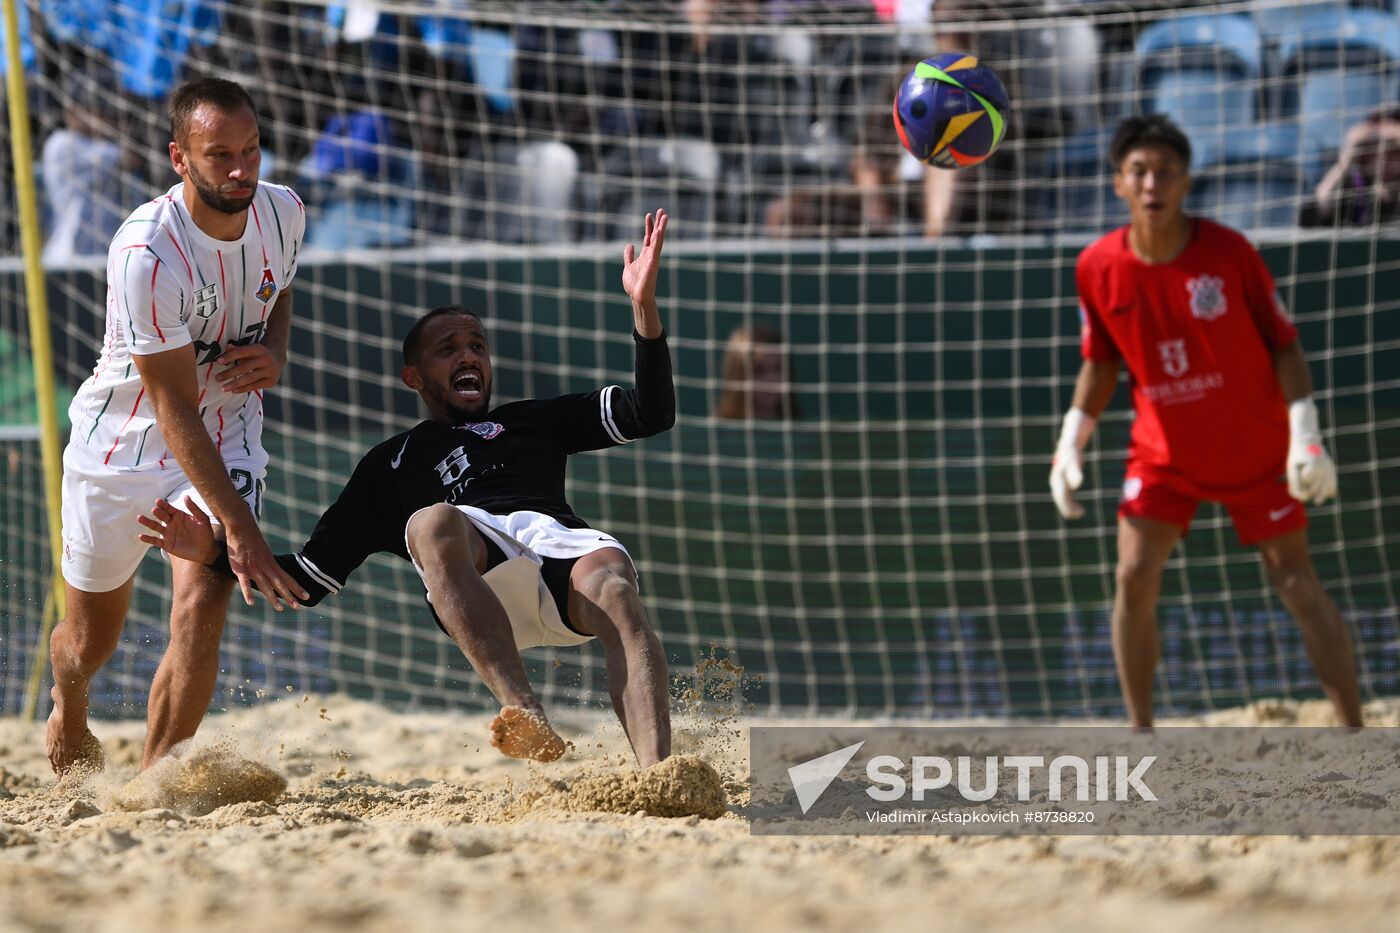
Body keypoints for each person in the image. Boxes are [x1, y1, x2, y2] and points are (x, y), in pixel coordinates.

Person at [141, 210, 676, 767]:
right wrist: (211, 552)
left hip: (558, 554)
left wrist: (644, 312)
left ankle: (659, 775)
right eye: (447, 349)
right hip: (478, 581)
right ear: (413, 377)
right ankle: (526, 716)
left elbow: (651, 413)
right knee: (430, 520)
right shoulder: (389, 465)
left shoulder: (535, 419)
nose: (468, 355)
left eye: (477, 345)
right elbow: (308, 578)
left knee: (616, 591)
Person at [1048, 114, 1363, 729]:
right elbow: (1101, 363)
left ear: (1186, 182)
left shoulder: (1229, 252)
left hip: (1256, 447)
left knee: (1297, 584)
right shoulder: (1096, 266)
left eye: (1164, 172)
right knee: (1133, 577)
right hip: (1164, 456)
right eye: (1138, 171)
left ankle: (1355, 733)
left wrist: (1307, 437)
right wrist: (1069, 444)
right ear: (1118, 184)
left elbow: (1285, 346)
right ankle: (1141, 735)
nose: (1151, 184)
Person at [49, 77, 310, 775]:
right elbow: (171, 406)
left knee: (205, 594)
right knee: (86, 642)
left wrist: (276, 352)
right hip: (122, 444)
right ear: (179, 158)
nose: (241, 169)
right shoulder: (147, 252)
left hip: (225, 430)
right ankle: (67, 703)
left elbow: (279, 285)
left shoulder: (283, 211)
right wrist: (247, 533)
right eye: (219, 154)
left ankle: (154, 781)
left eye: (251, 149)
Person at [1302, 107, 1400, 227]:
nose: (1382, 158)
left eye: (1392, 148)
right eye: (1373, 147)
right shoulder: (1356, 187)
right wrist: (1347, 159)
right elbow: (1321, 202)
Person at [714, 322, 801, 420]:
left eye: (778, 368)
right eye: (759, 370)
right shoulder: (720, 429)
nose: (771, 379)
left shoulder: (801, 428)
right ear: (739, 374)